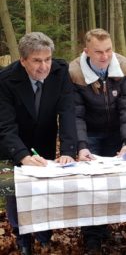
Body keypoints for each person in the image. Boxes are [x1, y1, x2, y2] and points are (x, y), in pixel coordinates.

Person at [0, 32, 77, 255]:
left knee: (44, 190)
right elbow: (4, 126)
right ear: (23, 60)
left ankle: (44, 236)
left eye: (47, 59)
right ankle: (22, 238)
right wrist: (22, 156)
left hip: (43, 139)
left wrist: (68, 150)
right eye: (36, 60)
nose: (44, 66)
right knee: (12, 191)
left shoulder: (60, 72)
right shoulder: (5, 80)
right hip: (8, 145)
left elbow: (68, 111)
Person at [69, 28, 126, 253]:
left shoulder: (125, 67)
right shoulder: (74, 72)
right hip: (90, 133)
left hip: (116, 132)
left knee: (110, 183)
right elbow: (75, 114)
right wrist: (81, 146)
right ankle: (92, 237)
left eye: (108, 50)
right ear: (86, 51)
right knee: (91, 184)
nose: (105, 56)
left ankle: (103, 225)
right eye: (98, 52)